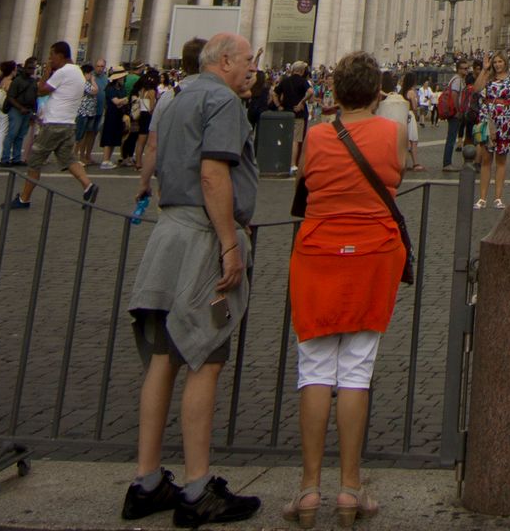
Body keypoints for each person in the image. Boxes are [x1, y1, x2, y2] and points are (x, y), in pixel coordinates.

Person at [120, 31, 262, 526]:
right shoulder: (223, 101)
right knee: (206, 358)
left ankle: (147, 481)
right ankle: (199, 487)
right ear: (225, 61)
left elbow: (154, 159)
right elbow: (213, 174)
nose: (252, 68)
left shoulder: (175, 99)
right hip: (203, 238)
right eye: (247, 60)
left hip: (168, 236)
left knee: (163, 359)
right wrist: (228, 243)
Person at [287, 51, 408, 527]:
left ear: (333, 94)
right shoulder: (391, 133)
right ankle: (350, 488)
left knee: (314, 368)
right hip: (373, 255)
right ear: (378, 92)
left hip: (317, 255)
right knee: (356, 370)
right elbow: (396, 173)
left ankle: (309, 488)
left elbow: (305, 184)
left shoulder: (316, 137)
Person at [14, 40, 98, 209]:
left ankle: (24, 198)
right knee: (69, 159)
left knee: (34, 161)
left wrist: (46, 72)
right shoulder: (78, 73)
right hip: (68, 124)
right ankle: (88, 185)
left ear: (60, 55)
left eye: (51, 55)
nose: (50, 59)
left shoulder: (63, 72)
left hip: (53, 123)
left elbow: (41, 90)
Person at [474, 53, 510, 209]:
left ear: (505, 63)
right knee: (486, 160)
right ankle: (482, 198)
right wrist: (484, 70)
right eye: (495, 62)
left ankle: (498, 197)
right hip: (488, 119)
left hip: (505, 120)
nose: (498, 64)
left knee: (501, 161)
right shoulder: (488, 78)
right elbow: (476, 88)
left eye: (500, 62)